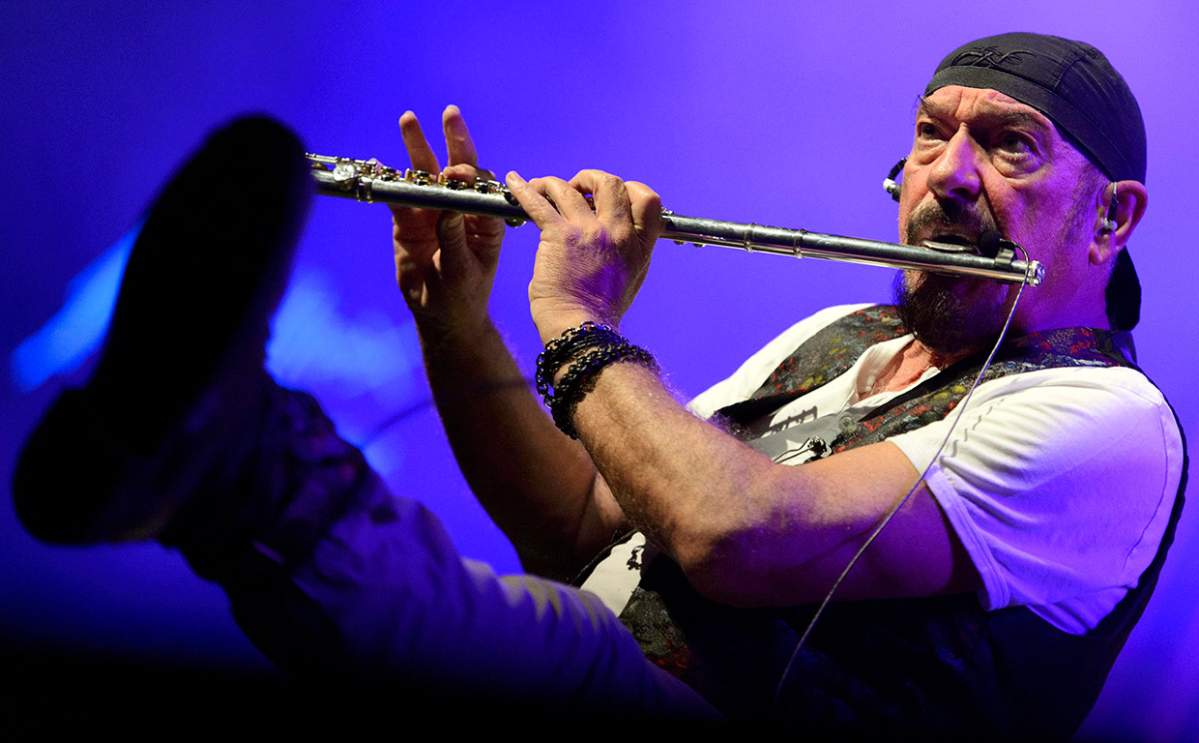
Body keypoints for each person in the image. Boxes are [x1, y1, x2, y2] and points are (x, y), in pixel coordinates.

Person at [11, 32, 1185, 735]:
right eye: (929, 136)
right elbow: (576, 522)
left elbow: (732, 533)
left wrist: (573, 319)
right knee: (499, 615)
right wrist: (456, 322)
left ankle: (226, 461)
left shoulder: (1104, 422)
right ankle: (201, 465)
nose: (948, 176)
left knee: (508, 637)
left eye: (1008, 144)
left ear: (1110, 218)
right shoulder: (839, 333)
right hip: (606, 647)